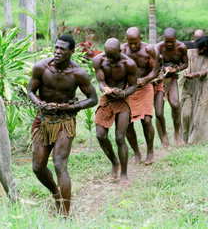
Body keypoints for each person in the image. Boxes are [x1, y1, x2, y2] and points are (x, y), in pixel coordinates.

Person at [27, 35, 98, 215]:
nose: (57, 52)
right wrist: (40, 103)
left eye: (62, 49)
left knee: (59, 164)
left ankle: (65, 215)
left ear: (71, 52)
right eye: (56, 48)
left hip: (65, 121)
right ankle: (56, 193)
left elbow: (93, 99)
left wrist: (72, 106)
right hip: (43, 119)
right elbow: (30, 92)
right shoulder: (41, 67)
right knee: (38, 166)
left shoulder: (78, 73)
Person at [93, 38, 137, 185]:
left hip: (122, 99)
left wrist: (123, 93)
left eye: (113, 56)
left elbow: (133, 86)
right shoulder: (98, 60)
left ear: (120, 51)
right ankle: (114, 161)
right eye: (107, 56)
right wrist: (105, 88)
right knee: (100, 135)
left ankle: (124, 173)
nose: (110, 60)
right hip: (107, 98)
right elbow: (100, 81)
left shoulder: (129, 64)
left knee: (119, 137)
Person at [121, 27, 157, 165]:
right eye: (130, 43)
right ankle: (136, 152)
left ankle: (150, 151)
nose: (133, 46)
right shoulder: (122, 50)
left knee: (147, 121)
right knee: (127, 123)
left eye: (135, 42)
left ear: (141, 39)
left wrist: (144, 80)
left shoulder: (149, 50)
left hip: (145, 87)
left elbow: (154, 71)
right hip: (128, 89)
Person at [155, 28, 188, 147]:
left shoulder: (181, 47)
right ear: (163, 39)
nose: (169, 44)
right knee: (159, 111)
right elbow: (154, 65)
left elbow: (185, 63)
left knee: (175, 104)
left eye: (171, 42)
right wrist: (163, 70)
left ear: (176, 39)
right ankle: (162, 135)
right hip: (159, 80)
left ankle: (177, 133)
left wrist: (176, 69)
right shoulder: (158, 47)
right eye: (166, 41)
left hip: (172, 78)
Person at [181, 35, 208, 145]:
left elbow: (207, 70)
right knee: (186, 113)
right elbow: (184, 65)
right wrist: (185, 72)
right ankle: (184, 138)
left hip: (202, 88)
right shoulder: (189, 52)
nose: (201, 51)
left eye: (204, 50)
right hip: (189, 87)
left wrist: (195, 74)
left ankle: (193, 141)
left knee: (198, 117)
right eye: (200, 48)